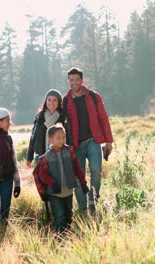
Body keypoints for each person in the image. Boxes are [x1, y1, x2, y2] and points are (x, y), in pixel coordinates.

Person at [61, 67, 113, 215]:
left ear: (82, 81)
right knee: (78, 177)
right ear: (68, 81)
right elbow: (60, 122)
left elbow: (103, 118)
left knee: (96, 170)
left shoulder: (94, 97)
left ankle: (93, 200)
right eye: (71, 80)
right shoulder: (66, 100)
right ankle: (82, 207)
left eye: (77, 80)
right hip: (75, 144)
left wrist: (108, 141)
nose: (74, 82)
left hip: (93, 141)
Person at [32, 124, 89, 233]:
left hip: (68, 191)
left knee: (68, 215)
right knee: (59, 217)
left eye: (64, 137)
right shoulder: (46, 157)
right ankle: (59, 238)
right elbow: (40, 174)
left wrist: (83, 183)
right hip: (54, 193)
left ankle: (67, 236)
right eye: (58, 138)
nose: (62, 140)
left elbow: (77, 168)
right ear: (50, 140)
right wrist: (51, 183)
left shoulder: (70, 151)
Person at [26, 89, 64, 168]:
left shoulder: (63, 116)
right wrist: (29, 157)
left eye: (54, 100)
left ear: (59, 102)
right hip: (40, 156)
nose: (51, 103)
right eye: (49, 100)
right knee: (42, 179)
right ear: (45, 101)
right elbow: (33, 136)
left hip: (59, 155)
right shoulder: (40, 116)